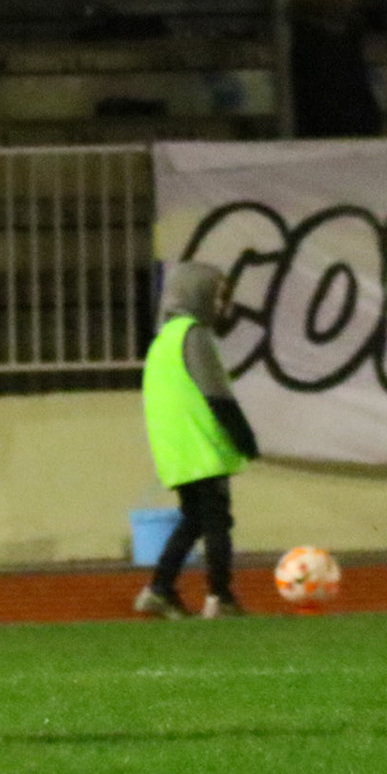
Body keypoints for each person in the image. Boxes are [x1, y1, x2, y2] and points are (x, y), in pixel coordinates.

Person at [134, 261, 260, 621]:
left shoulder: (162, 340)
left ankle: (159, 590)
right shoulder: (194, 335)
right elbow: (216, 394)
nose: (221, 305)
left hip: (175, 449)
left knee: (194, 520)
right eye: (218, 296)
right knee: (218, 521)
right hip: (202, 446)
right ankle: (220, 597)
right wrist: (244, 438)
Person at [289, 0, 381, 138]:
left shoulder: (352, 35)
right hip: (322, 132)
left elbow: (359, 86)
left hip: (357, 128)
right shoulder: (307, 39)